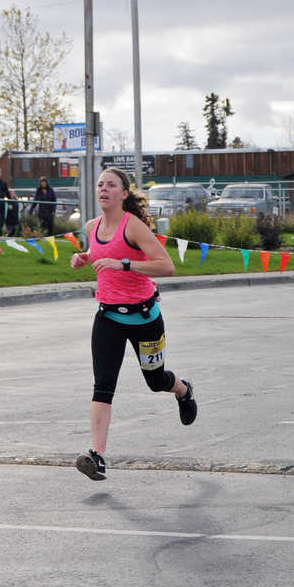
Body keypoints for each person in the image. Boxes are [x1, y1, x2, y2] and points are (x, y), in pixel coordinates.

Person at [70, 166, 197, 481]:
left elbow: (166, 267)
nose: (103, 189)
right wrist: (86, 257)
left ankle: (183, 390)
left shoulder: (134, 227)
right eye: (100, 184)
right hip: (108, 317)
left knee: (156, 381)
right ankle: (97, 457)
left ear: (123, 194)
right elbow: (102, 250)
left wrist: (124, 263)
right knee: (102, 387)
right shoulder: (91, 226)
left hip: (144, 318)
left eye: (111, 185)